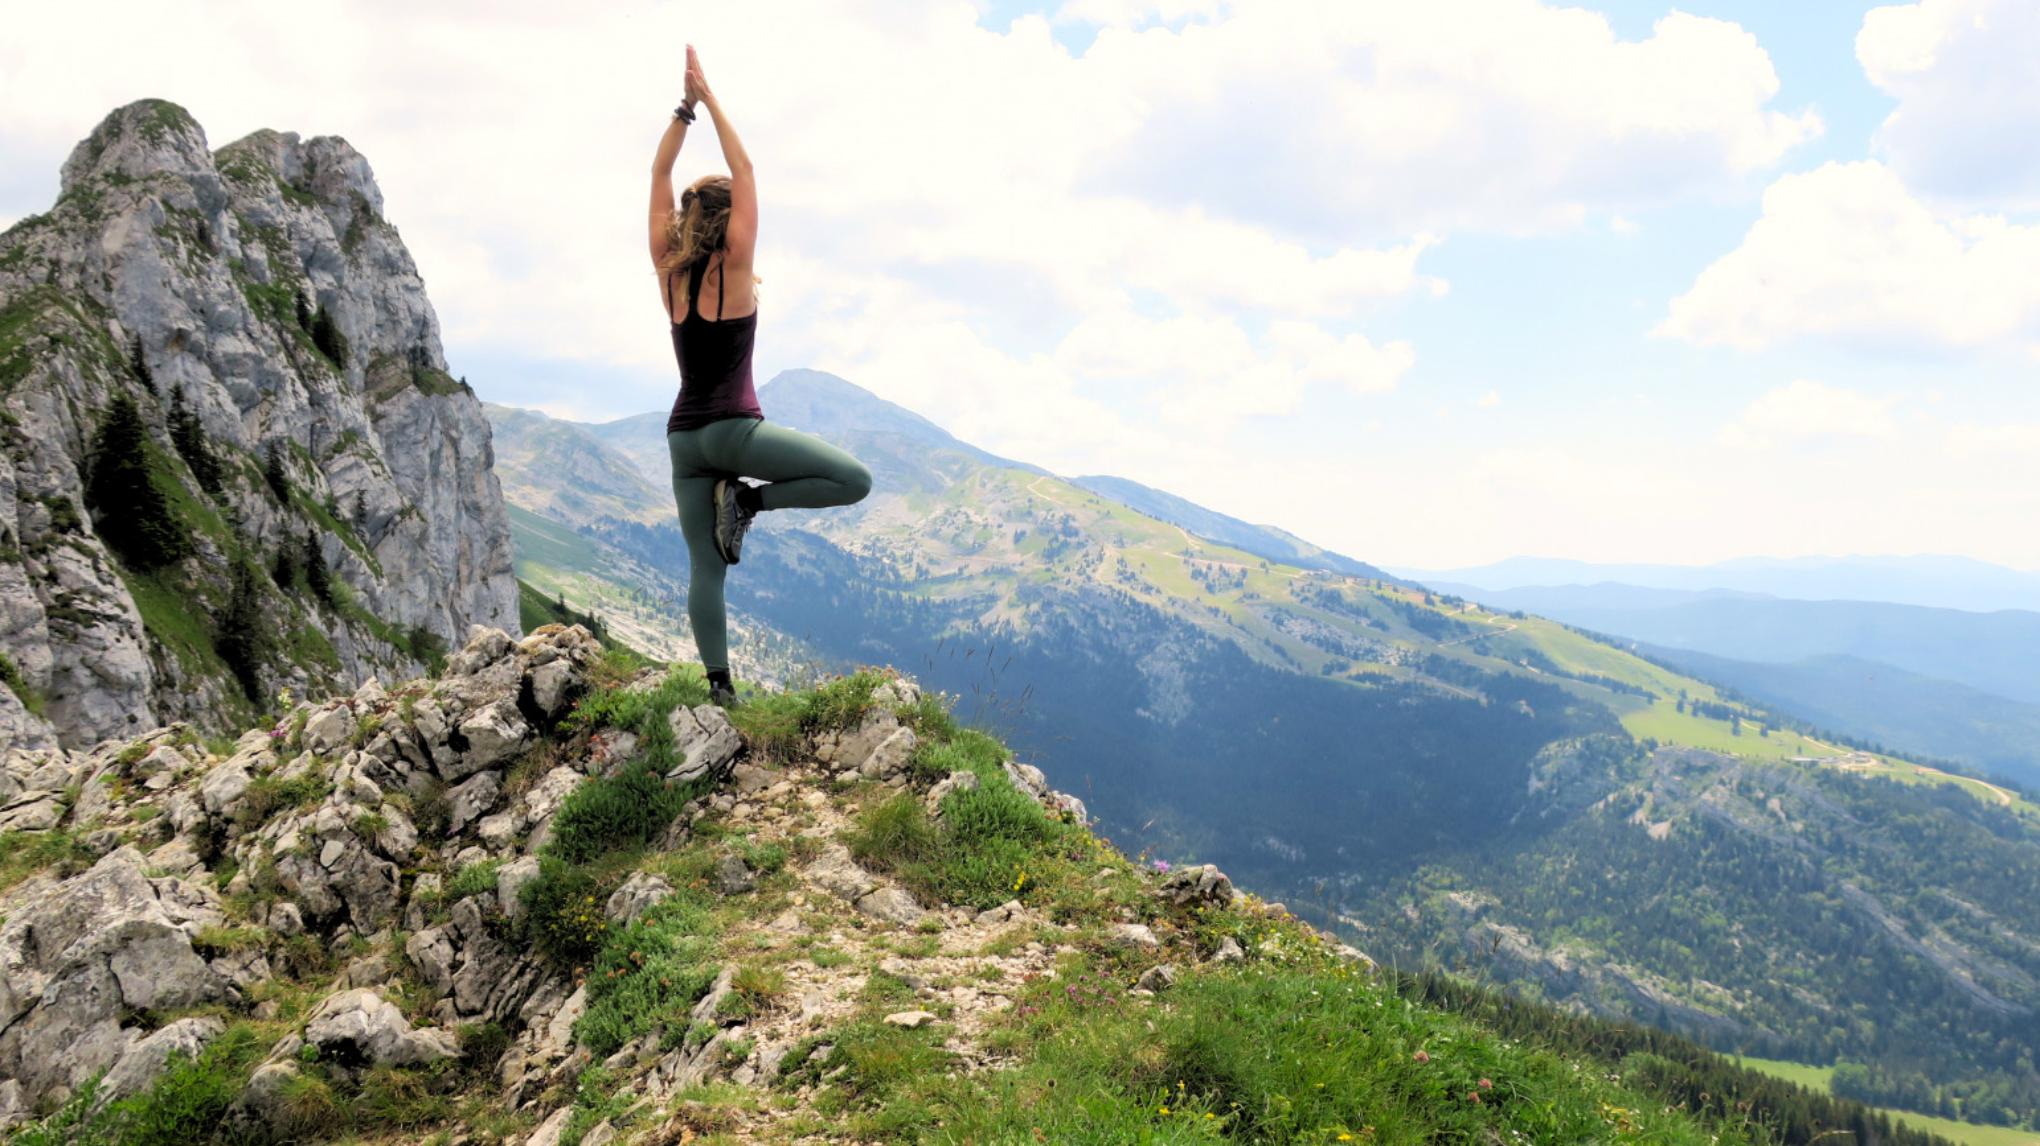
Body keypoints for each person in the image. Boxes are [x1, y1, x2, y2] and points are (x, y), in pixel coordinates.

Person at [650, 45, 872, 707]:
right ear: (731, 220)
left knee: (705, 569)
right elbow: (745, 166)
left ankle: (720, 693)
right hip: (734, 433)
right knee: (853, 480)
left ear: (689, 220)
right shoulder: (735, 268)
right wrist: (711, 97)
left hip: (684, 439)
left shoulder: (668, 272)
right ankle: (747, 503)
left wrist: (682, 110)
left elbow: (660, 170)